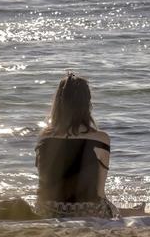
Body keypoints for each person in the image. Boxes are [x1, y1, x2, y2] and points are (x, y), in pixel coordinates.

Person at [35, 72, 118, 218]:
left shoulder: (44, 137)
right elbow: (100, 193)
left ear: (58, 103)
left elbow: (44, 182)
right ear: (87, 104)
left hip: (47, 209)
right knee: (115, 211)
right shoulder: (100, 138)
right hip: (86, 210)